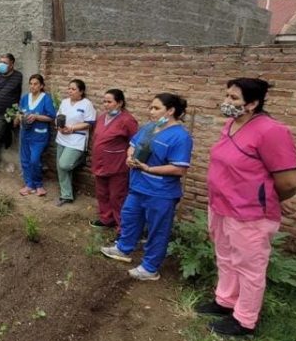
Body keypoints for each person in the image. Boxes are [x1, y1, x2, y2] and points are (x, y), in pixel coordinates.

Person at [195, 78, 296, 336]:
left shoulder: (271, 131)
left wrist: (275, 198)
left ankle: (244, 320)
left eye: (234, 98)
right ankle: (225, 301)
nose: (227, 102)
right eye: (227, 96)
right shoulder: (232, 124)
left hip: (250, 213)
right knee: (226, 257)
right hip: (222, 205)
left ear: (252, 104)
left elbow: (288, 181)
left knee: (250, 266)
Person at [100, 93, 193, 281]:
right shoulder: (150, 127)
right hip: (138, 186)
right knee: (129, 217)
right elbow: (133, 145)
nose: (151, 111)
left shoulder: (181, 137)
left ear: (171, 111)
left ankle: (150, 268)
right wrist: (129, 156)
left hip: (160, 192)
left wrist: (149, 168)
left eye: (156, 108)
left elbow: (179, 169)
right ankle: (123, 248)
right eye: (150, 107)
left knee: (158, 229)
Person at [90, 89, 138, 229]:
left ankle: (122, 227)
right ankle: (107, 219)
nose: (106, 104)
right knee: (102, 193)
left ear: (120, 103)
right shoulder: (101, 118)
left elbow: (135, 142)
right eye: (104, 101)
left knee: (117, 197)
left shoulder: (127, 120)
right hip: (100, 163)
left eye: (109, 102)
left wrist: (131, 158)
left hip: (117, 166)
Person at [54, 79, 96, 205]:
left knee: (65, 164)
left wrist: (72, 128)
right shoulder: (65, 102)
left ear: (81, 91)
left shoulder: (86, 104)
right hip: (62, 138)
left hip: (77, 139)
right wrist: (59, 126)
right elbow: (58, 117)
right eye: (69, 88)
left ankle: (80, 159)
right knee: (60, 168)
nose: (70, 91)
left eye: (73, 89)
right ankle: (66, 195)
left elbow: (89, 123)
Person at [17, 74, 56, 196]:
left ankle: (38, 184)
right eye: (31, 84)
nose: (32, 86)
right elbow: (19, 112)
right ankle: (29, 185)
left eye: (36, 84)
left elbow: (51, 117)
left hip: (39, 135)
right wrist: (19, 117)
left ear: (41, 86)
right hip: (26, 133)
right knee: (25, 160)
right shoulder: (25, 98)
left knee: (35, 160)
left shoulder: (46, 99)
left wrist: (36, 116)